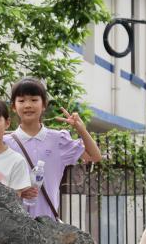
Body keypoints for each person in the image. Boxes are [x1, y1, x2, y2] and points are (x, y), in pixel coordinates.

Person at [5, 77, 102, 220]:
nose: (28, 105)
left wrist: (81, 129)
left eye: (34, 100)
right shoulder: (4, 143)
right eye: (21, 100)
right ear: (13, 106)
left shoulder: (58, 140)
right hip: (12, 222)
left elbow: (95, 156)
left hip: (48, 223)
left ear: (44, 104)